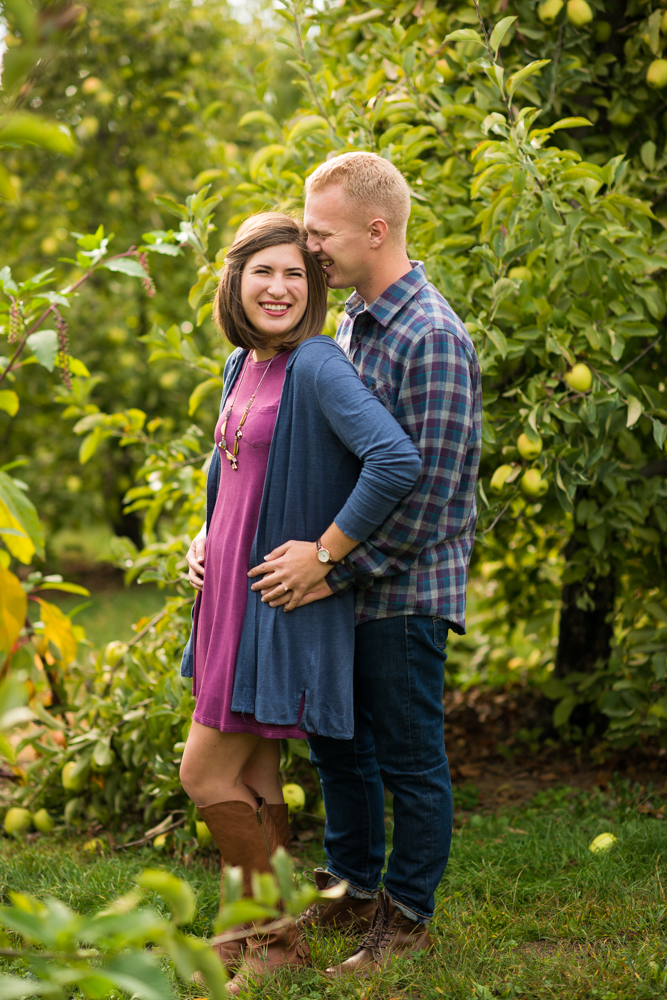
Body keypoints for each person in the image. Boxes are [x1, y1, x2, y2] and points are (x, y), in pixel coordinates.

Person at [248, 153, 482, 976]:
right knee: (339, 744)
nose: (309, 248)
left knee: (409, 755)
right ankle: (350, 884)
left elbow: (437, 499)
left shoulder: (431, 338)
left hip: (405, 587)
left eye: (320, 233)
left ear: (375, 231)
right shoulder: (351, 321)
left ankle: (407, 916)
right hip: (344, 577)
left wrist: (327, 564)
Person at [178, 211, 421, 995]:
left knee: (202, 774)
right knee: (250, 777)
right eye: (263, 272)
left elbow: (393, 458)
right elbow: (232, 474)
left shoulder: (315, 364)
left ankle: (274, 939)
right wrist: (203, 536)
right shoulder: (242, 365)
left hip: (276, 603)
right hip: (228, 599)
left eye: (295, 274)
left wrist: (324, 553)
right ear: (235, 280)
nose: (279, 287)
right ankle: (244, 934)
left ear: (312, 288)